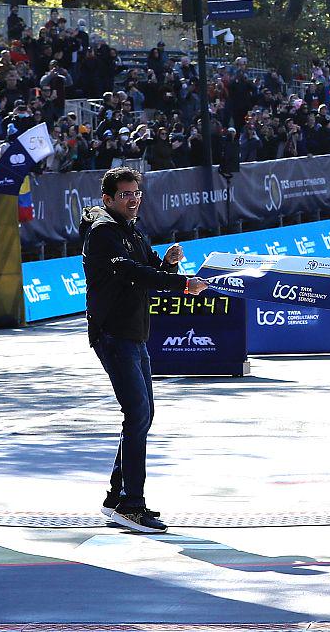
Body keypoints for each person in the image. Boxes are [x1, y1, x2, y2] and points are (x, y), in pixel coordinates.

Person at [81, 168, 209, 534]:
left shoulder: (131, 228)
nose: (133, 199)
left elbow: (146, 268)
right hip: (114, 334)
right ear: (108, 199)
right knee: (137, 414)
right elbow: (132, 273)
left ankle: (116, 497)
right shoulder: (103, 232)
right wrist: (182, 282)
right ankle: (131, 506)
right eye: (124, 194)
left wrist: (166, 264)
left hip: (135, 333)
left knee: (143, 413)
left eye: (136, 192)